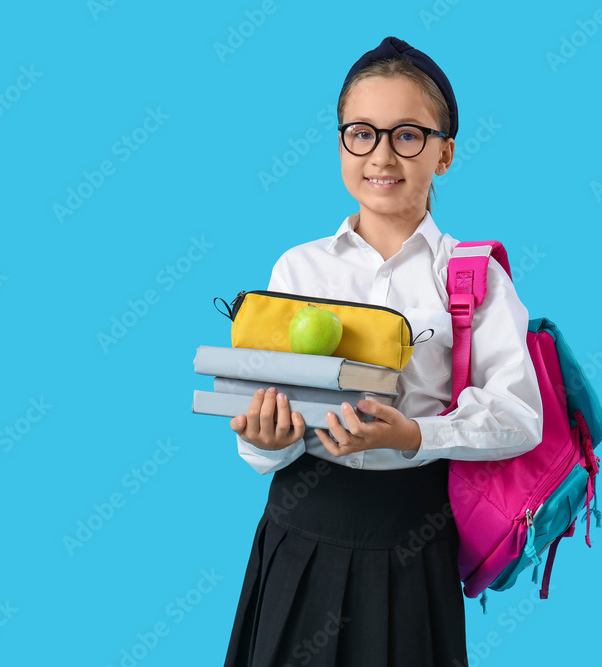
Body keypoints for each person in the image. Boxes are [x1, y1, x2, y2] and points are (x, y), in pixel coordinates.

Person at [224, 36, 544, 667]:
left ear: (445, 153)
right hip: (300, 534)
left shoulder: (474, 276)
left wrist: (413, 435)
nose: (381, 154)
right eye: (361, 133)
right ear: (341, 143)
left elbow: (519, 414)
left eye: (407, 135)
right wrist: (267, 438)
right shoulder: (299, 267)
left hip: (411, 541)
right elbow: (263, 428)